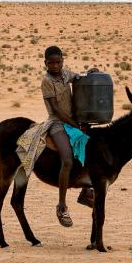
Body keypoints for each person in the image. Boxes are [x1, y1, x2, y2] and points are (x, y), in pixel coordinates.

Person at [41, 45, 95, 227]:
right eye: (51, 63)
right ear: (45, 63)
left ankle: (86, 191)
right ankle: (62, 206)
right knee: (67, 160)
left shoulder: (66, 74)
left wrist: (91, 73)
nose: (55, 66)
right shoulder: (47, 81)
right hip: (57, 123)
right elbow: (55, 109)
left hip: (73, 121)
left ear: (62, 61)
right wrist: (75, 124)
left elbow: (79, 78)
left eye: (58, 62)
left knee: (90, 149)